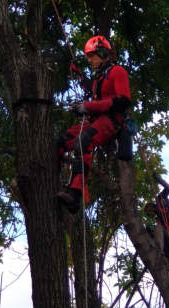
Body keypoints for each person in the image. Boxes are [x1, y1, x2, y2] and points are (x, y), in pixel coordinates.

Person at [56, 35, 131, 214]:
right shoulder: (99, 77)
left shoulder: (117, 71)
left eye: (92, 56)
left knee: (83, 141)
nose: (90, 60)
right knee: (58, 142)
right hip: (96, 119)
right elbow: (94, 92)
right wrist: (80, 75)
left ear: (103, 52)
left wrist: (88, 106)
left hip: (111, 120)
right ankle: (57, 184)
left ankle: (74, 195)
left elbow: (123, 100)